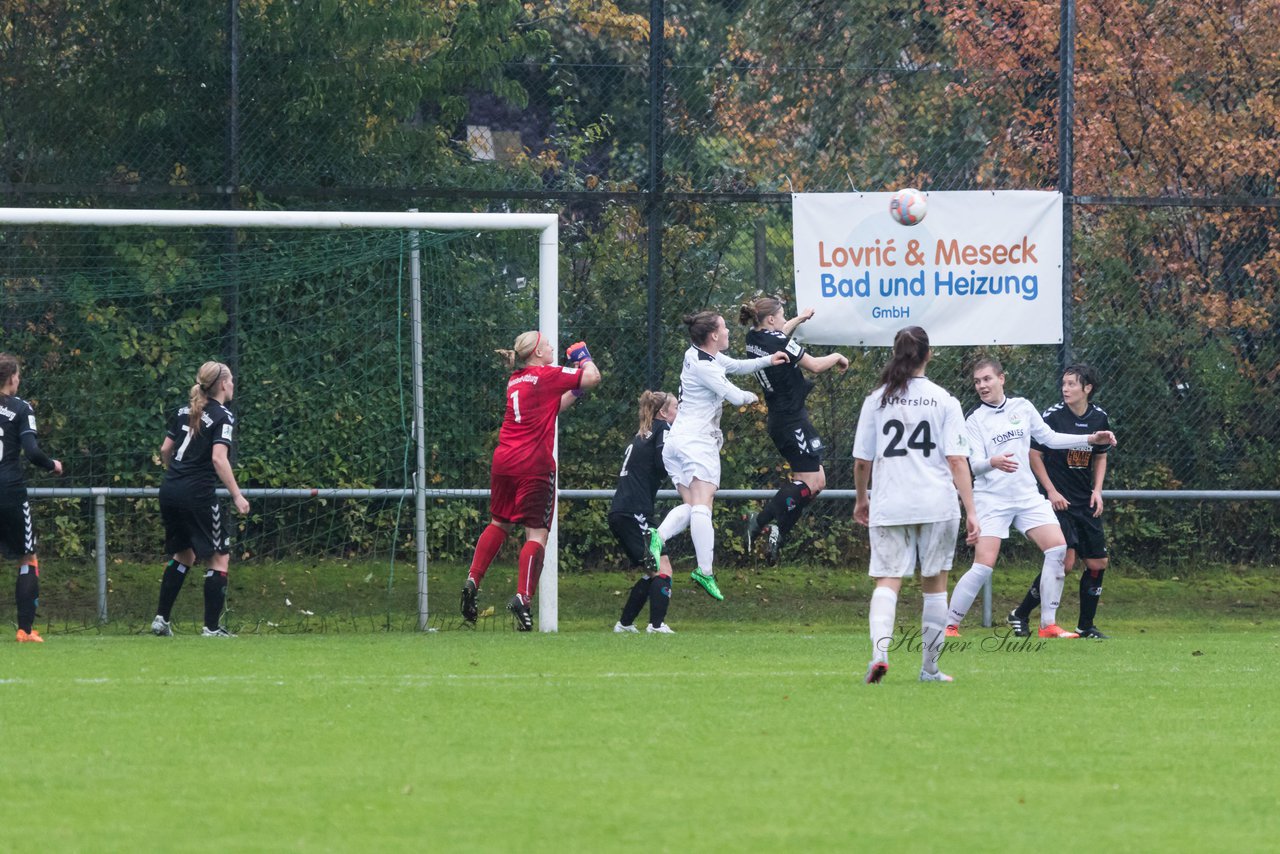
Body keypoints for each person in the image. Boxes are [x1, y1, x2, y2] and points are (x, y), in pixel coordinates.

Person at [944, 358, 1116, 639]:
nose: (982, 386)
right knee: (983, 565)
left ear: (1002, 378)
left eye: (987, 379)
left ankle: (1048, 624)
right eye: (977, 382)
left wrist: (1090, 439)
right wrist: (993, 462)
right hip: (992, 499)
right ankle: (950, 625)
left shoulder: (1022, 406)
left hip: (1026, 497)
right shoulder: (974, 420)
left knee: (1058, 550)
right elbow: (972, 465)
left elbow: (1049, 438)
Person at [853, 327, 979, 684]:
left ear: (896, 353)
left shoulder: (876, 399)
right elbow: (957, 460)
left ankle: (879, 655)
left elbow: (863, 461)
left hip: (891, 502)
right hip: (937, 503)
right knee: (935, 585)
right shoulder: (944, 400)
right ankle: (929, 669)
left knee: (887, 581)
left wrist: (862, 498)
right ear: (928, 354)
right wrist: (971, 510)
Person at [460, 332, 601, 631]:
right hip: (534, 465)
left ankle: (473, 579)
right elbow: (593, 378)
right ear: (537, 351)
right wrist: (584, 357)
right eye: (547, 344)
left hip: (504, 462)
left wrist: (574, 393)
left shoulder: (516, 379)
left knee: (499, 523)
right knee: (536, 535)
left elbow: (553, 407)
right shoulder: (546, 374)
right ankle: (523, 598)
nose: (551, 347)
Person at [653, 311, 786, 602]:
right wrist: (753, 397)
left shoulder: (699, 355)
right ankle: (705, 571)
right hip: (697, 442)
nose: (728, 332)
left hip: (676, 442)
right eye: (725, 328)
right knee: (703, 506)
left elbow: (736, 366)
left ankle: (657, 537)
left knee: (692, 506)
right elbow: (736, 396)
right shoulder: (706, 367)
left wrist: (768, 359)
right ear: (714, 335)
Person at [739, 296, 850, 565]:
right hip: (792, 422)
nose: (784, 317)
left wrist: (800, 318)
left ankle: (779, 530)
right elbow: (813, 365)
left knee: (814, 483)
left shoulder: (754, 338)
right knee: (814, 483)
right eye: (782, 314)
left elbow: (780, 332)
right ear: (771, 320)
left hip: (781, 419)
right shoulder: (776, 341)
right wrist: (837, 357)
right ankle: (761, 521)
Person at [1008, 363, 1113, 638]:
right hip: (1058, 501)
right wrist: (1051, 492)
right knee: (1064, 562)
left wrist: (1097, 490)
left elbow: (1100, 454)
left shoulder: (1099, 417)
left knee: (1097, 563)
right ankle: (1022, 614)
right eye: (1063, 384)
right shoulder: (1053, 416)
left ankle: (1085, 626)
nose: (1065, 389)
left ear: (1087, 388)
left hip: (1085, 500)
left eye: (1071, 384)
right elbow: (1034, 455)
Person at [151, 361, 251, 638]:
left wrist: (177, 475)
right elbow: (219, 459)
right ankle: (211, 628)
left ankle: (161, 620)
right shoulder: (223, 416)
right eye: (230, 381)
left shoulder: (184, 410)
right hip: (197, 493)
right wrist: (237, 495)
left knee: (183, 554)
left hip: (170, 490)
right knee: (219, 558)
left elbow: (165, 449)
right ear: (222, 384)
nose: (233, 386)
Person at [0, 354, 64, 643]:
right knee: (27, 556)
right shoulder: (22, 408)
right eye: (18, 376)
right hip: (10, 490)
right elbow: (33, 452)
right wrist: (53, 464)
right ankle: (25, 631)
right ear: (12, 377)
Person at [610, 390, 679, 634]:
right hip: (635, 512)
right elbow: (664, 462)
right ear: (663, 413)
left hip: (624, 511)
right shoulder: (663, 430)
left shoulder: (641, 434)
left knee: (652, 571)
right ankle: (657, 625)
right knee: (662, 568)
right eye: (676, 408)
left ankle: (625, 624)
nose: (678, 413)